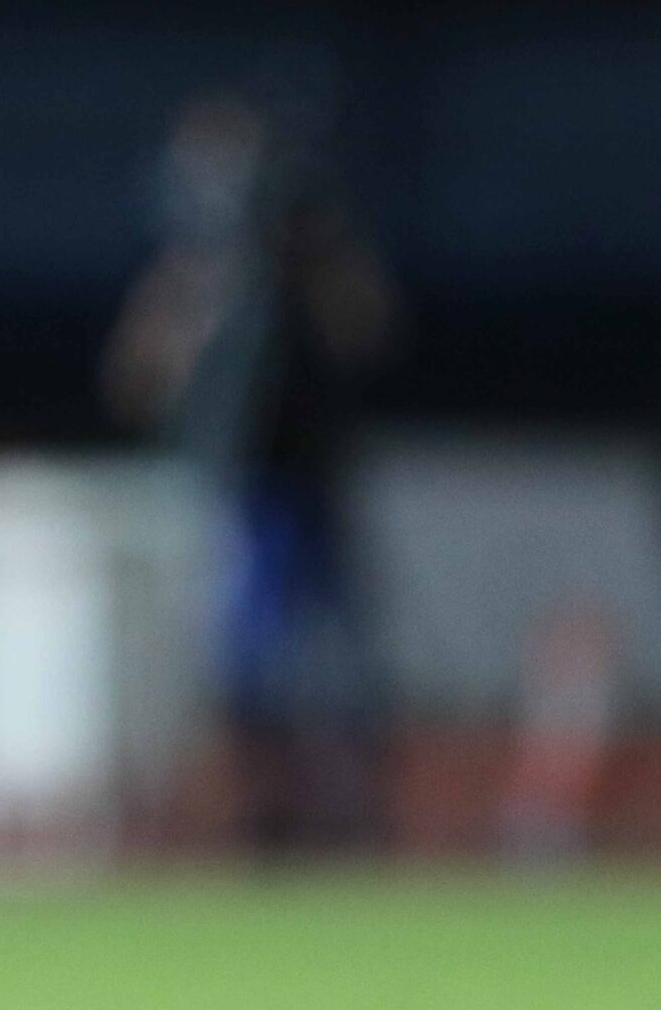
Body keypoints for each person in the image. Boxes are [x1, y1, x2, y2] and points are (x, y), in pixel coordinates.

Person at [102, 91, 395, 853]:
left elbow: (368, 331)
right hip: (236, 488)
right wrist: (197, 302)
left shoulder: (312, 258)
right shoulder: (191, 273)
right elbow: (134, 381)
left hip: (313, 483)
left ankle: (353, 810)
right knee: (241, 656)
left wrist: (319, 246)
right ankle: (262, 809)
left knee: (340, 658)